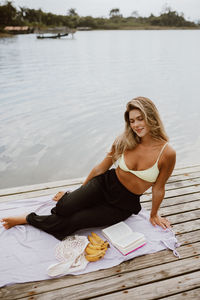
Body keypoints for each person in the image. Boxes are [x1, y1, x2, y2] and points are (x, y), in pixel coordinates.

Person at [1, 97, 176, 240]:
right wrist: (81, 191)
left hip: (123, 204)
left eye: (140, 118)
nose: (136, 125)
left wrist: (154, 214)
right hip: (105, 184)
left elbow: (158, 188)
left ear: (151, 117)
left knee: (75, 221)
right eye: (132, 121)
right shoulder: (124, 141)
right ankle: (68, 198)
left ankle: (27, 219)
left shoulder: (166, 153)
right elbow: (101, 168)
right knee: (63, 208)